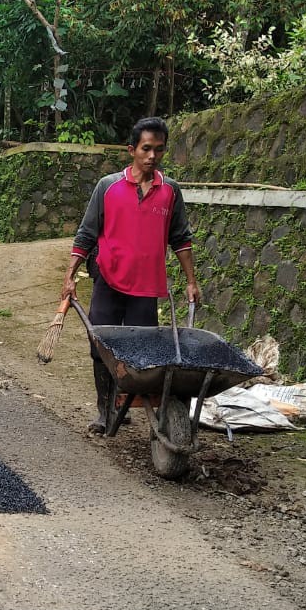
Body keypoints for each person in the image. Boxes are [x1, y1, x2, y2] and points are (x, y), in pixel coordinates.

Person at [60, 116, 201, 434]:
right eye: (146, 149)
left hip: (146, 287)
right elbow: (86, 234)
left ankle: (141, 410)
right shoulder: (108, 187)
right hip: (109, 280)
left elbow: (181, 239)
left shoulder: (170, 192)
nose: (152, 156)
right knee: (101, 349)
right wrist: (69, 276)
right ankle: (105, 411)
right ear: (132, 150)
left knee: (143, 354)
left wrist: (192, 282)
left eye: (159, 150)